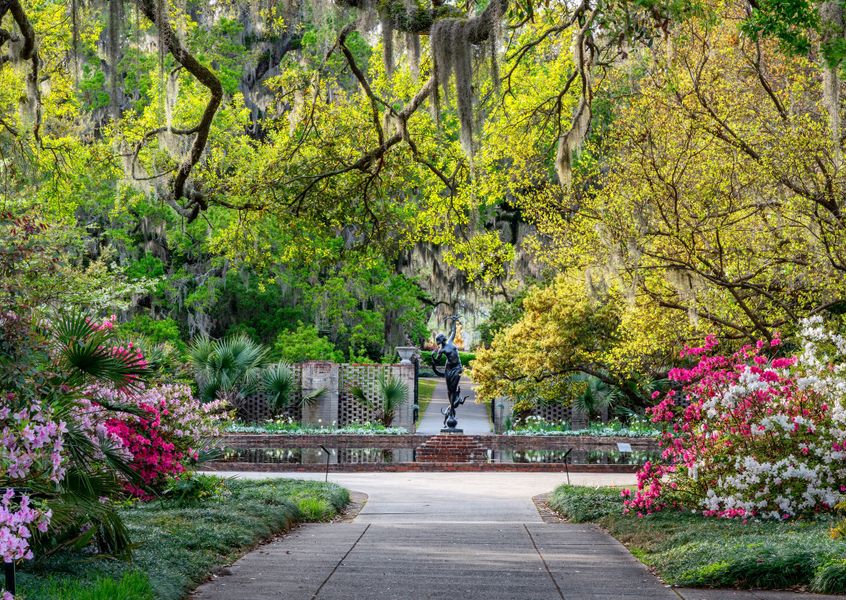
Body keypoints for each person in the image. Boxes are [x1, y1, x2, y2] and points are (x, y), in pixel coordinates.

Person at [432, 315, 465, 429]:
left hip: (458, 367)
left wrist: (454, 321)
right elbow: (437, 360)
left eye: (439, 340)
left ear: (442, 339)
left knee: (454, 388)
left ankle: (451, 409)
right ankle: (451, 410)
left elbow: (453, 331)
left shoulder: (450, 340)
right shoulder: (441, 350)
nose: (438, 342)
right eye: (438, 341)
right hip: (449, 369)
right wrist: (433, 358)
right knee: (450, 389)